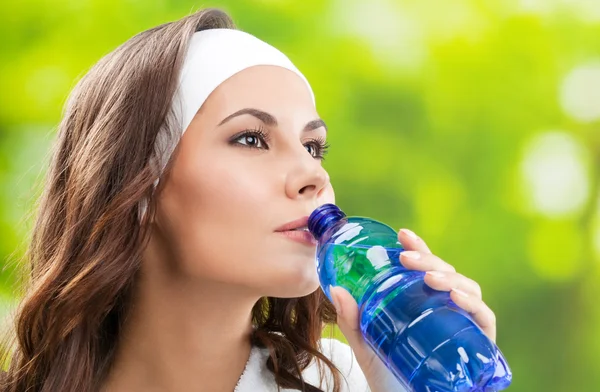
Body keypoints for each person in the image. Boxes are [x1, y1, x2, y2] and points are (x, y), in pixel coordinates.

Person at [0, 7, 498, 392]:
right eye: (252, 139)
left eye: (314, 146)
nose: (311, 175)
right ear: (138, 189)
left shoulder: (347, 380)